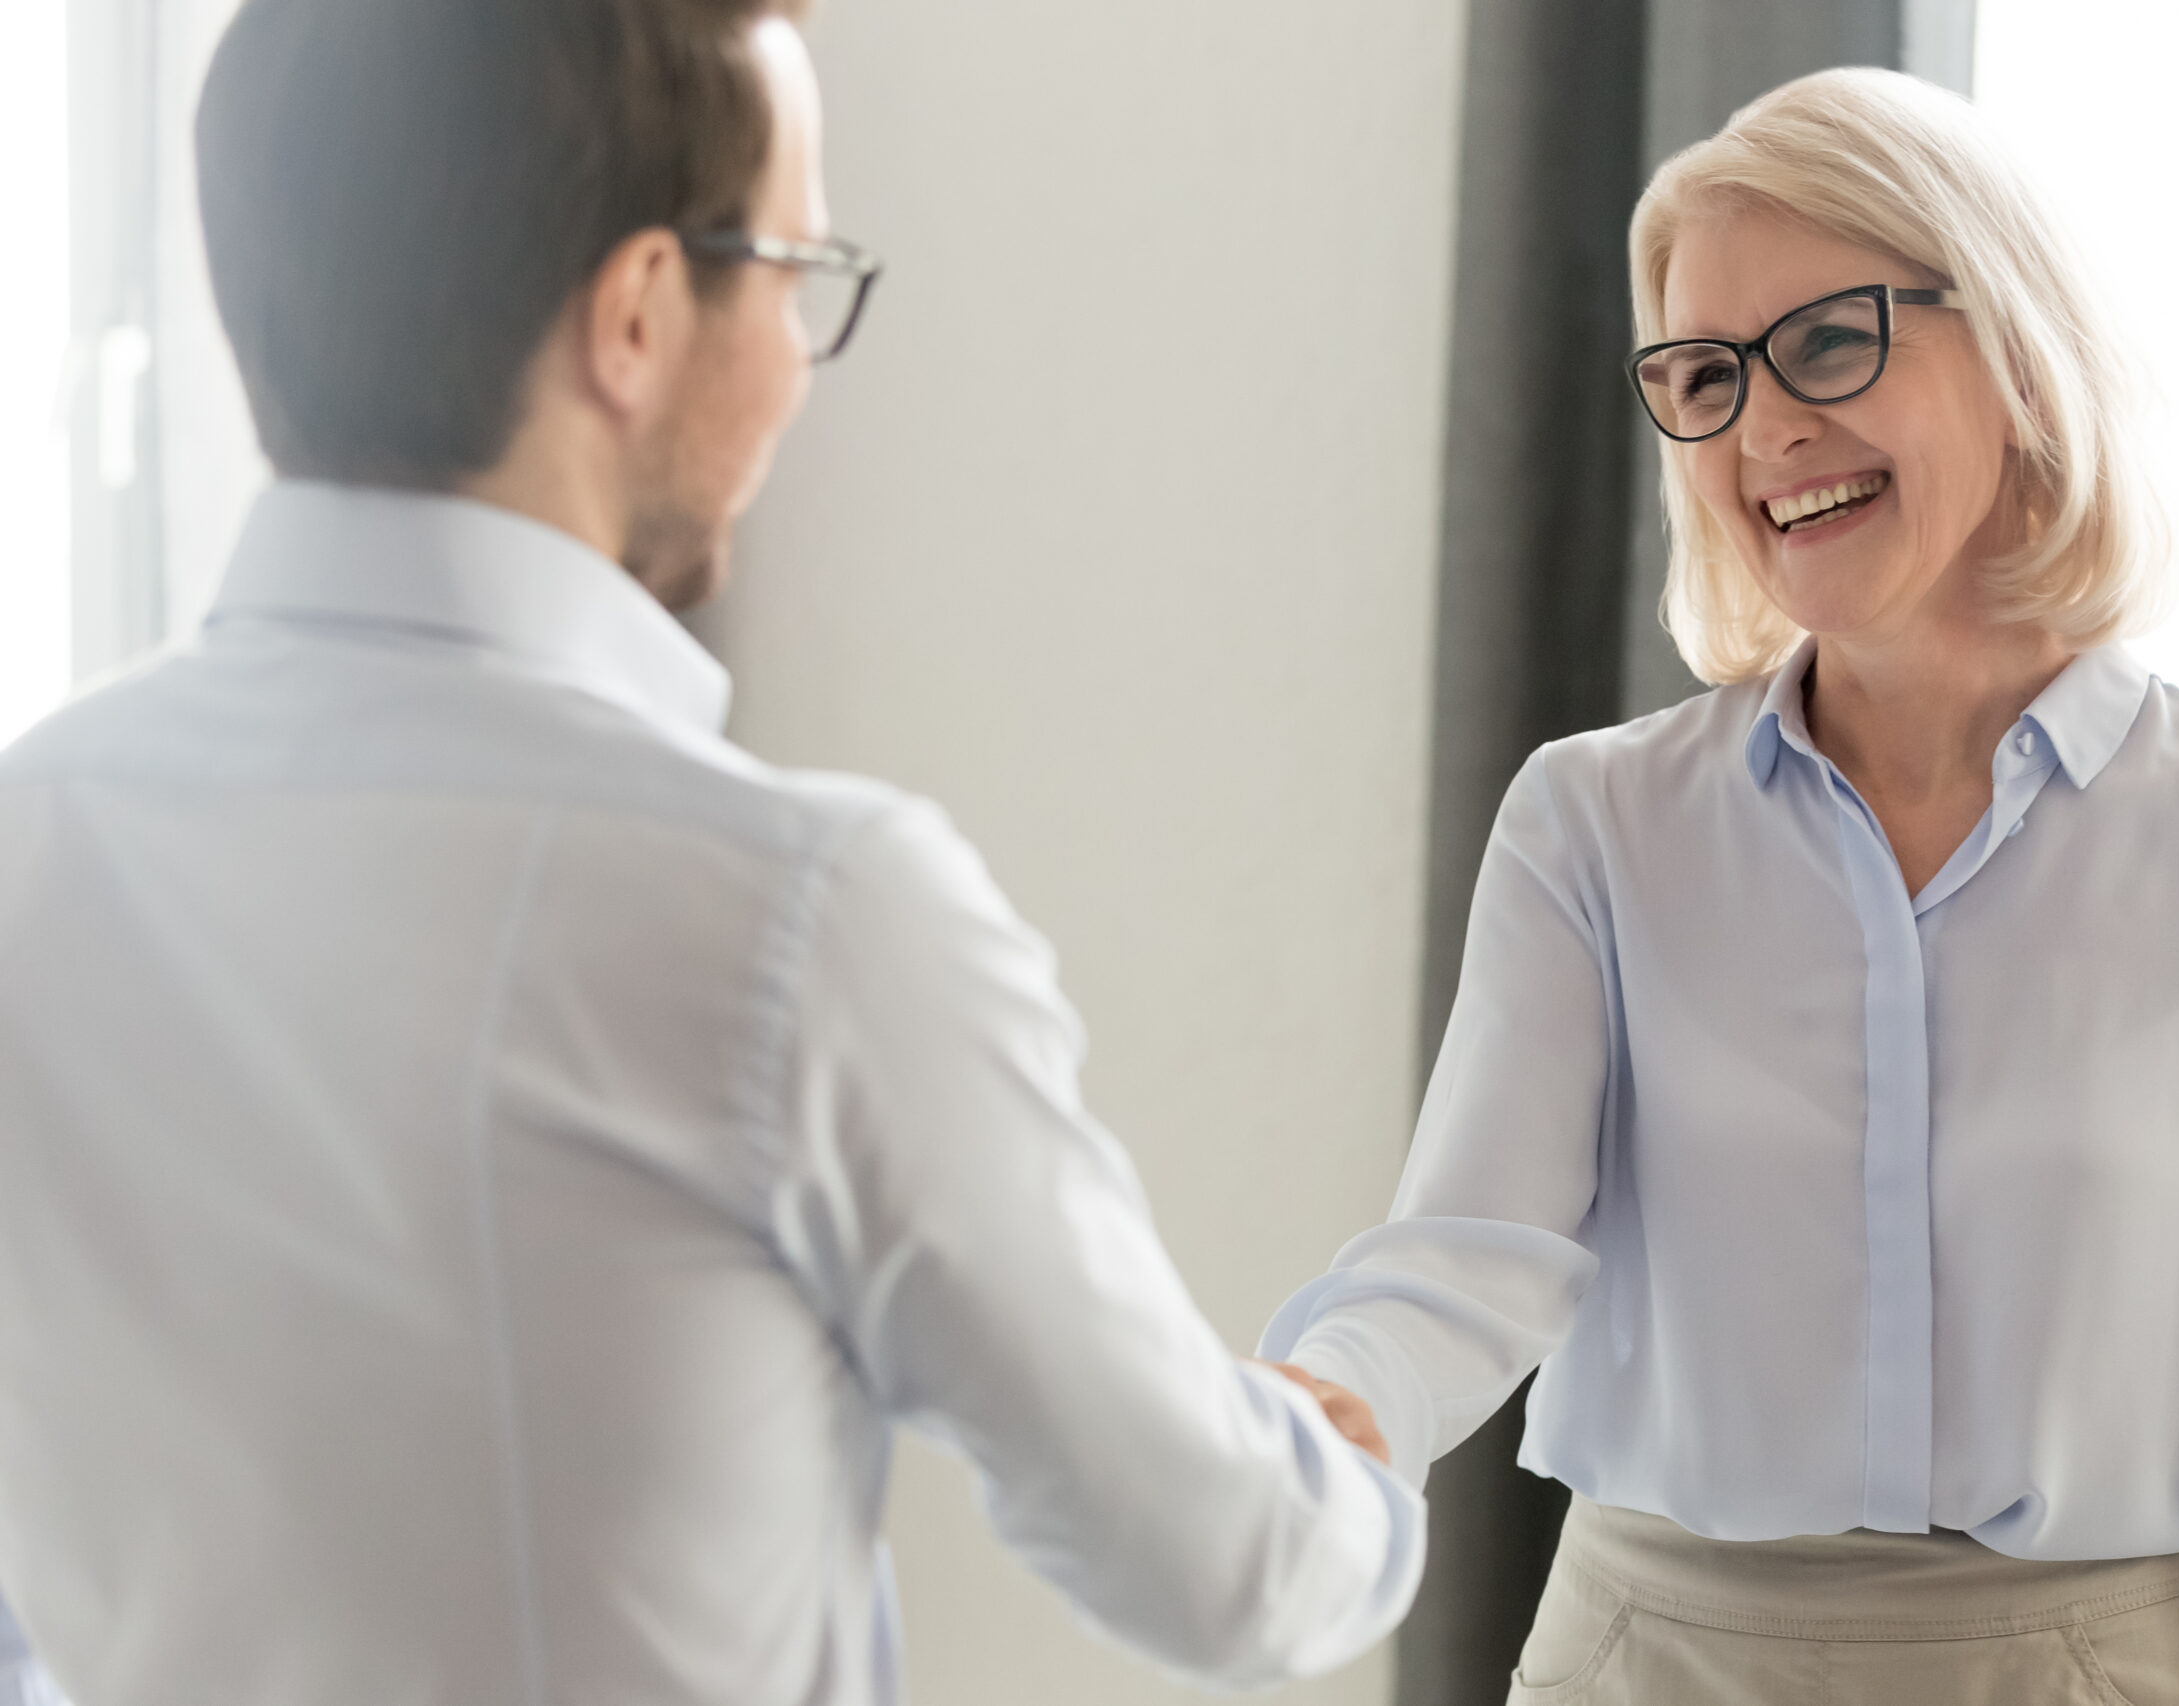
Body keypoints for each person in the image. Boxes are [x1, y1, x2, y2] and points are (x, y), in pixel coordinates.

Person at [0, 2, 1416, 1702]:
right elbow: (1234, 1571)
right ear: (643, 313)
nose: (805, 350)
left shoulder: (34, 829)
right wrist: (1331, 1461)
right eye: (798, 266)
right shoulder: (796, 917)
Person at [1258, 67, 2179, 1706]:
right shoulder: (1592, 827)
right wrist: (1330, 1397)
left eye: (1827, 341)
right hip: (1652, 1660)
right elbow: (1468, 1249)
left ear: (2014, 349)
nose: (1765, 429)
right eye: (1706, 374)